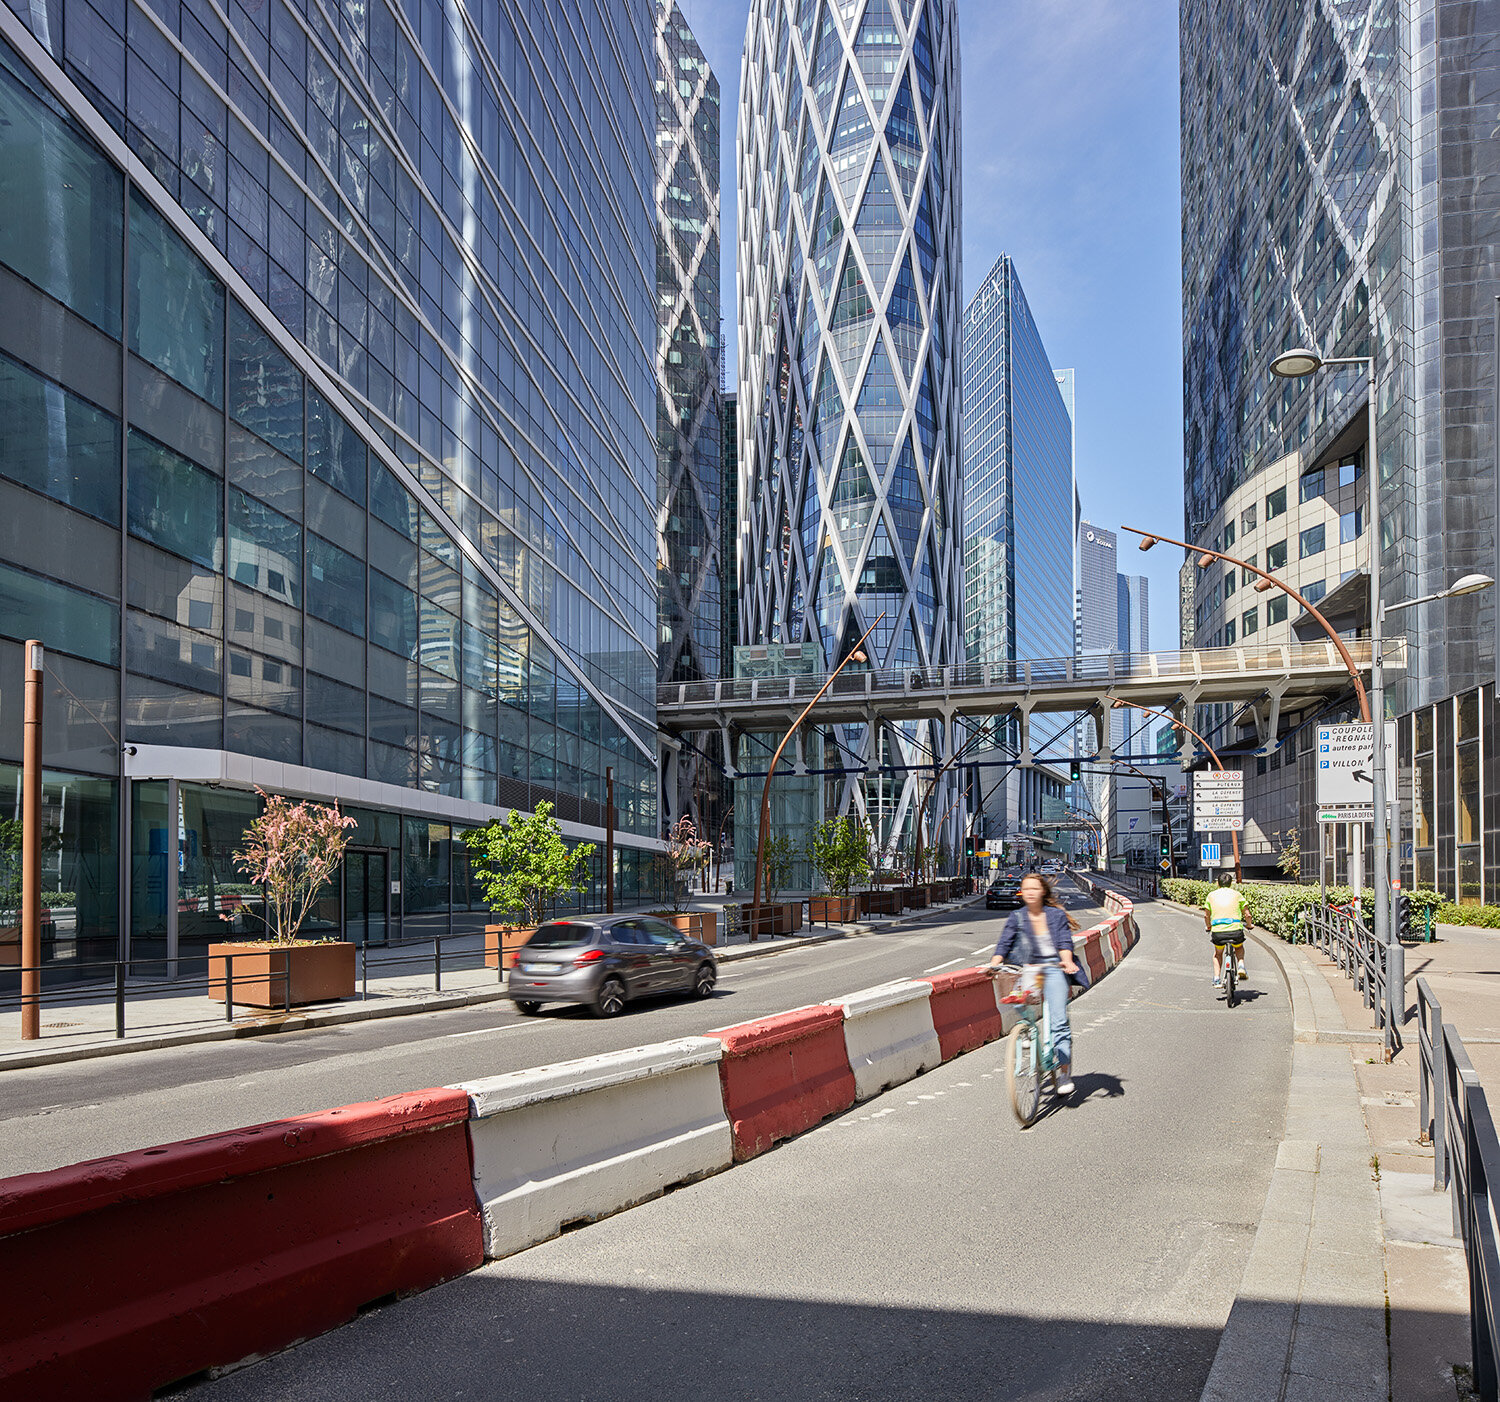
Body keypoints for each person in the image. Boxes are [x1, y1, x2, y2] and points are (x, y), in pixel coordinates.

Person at [990, 873, 1083, 1095]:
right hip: (1029, 969)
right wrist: (994, 963)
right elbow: (1004, 943)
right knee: (1016, 1000)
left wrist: (1067, 962)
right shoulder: (1016, 916)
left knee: (1059, 1022)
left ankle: (1063, 1074)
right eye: (1026, 889)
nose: (1030, 892)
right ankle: (1028, 1030)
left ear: (1042, 892)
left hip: (1053, 969)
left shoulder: (1055, 916)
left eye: (1034, 888)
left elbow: (1063, 942)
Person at [1203, 870, 1250, 988]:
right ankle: (1240, 965)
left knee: (1218, 954)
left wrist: (1209, 926)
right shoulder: (1237, 894)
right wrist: (1249, 925)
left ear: (1218, 884)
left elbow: (1206, 915)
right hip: (1235, 931)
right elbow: (1247, 914)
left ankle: (1217, 979)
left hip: (1218, 932)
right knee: (1238, 947)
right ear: (1231, 884)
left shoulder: (1211, 895)